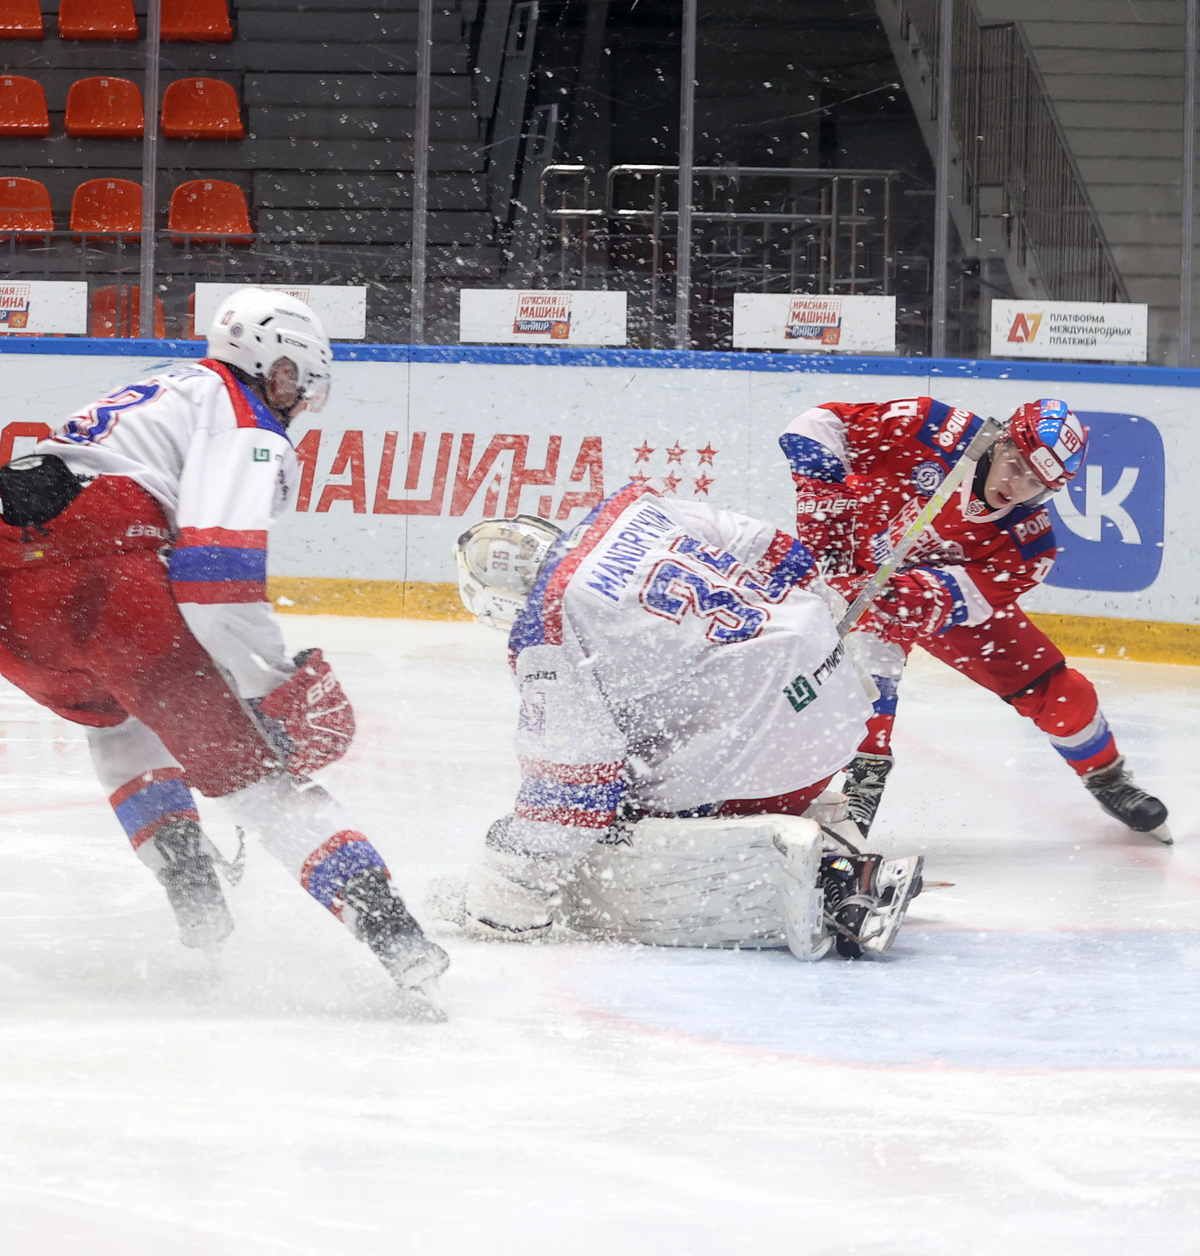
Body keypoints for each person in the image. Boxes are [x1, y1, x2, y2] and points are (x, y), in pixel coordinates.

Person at [0, 287, 447, 1005]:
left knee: (118, 720)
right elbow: (215, 579)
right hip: (104, 574)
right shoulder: (243, 416)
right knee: (259, 781)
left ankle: (194, 891)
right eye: (303, 386)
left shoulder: (169, 387)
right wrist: (271, 685)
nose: (300, 404)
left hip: (15, 607)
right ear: (281, 369)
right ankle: (400, 942)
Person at [445, 483, 924, 960]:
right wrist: (814, 642)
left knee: (611, 827)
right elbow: (783, 554)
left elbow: (573, 790)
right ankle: (823, 829)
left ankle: (829, 877)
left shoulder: (547, 624)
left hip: (766, 759)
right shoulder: (631, 509)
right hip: (838, 702)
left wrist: (509, 883)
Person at [779, 394, 1170, 842]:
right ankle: (861, 778)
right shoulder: (929, 426)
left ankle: (1107, 778)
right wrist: (823, 493)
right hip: (851, 568)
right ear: (1001, 440)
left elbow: (949, 601)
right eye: (1016, 466)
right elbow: (816, 423)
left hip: (923, 603)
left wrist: (905, 596)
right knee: (868, 677)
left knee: (1060, 692)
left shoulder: (1029, 546)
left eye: (1037, 483)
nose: (1018, 487)